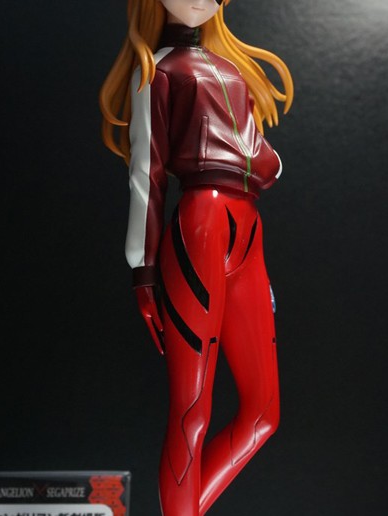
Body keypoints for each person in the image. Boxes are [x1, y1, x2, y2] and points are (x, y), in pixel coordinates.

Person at [99, 1, 293, 514]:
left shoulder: (233, 68)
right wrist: (142, 269)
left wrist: (265, 159)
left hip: (248, 226)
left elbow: (262, 153)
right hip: (201, 225)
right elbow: (147, 174)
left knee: (263, 413)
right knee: (192, 413)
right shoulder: (157, 71)